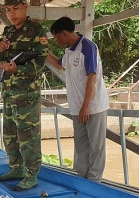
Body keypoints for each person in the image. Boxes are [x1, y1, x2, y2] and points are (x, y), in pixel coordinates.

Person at [0, 0, 48, 191]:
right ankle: (15, 168)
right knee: (9, 133)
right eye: (8, 10)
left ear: (25, 7)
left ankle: (31, 174)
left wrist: (18, 69)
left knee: (28, 135)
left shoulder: (36, 31)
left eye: (16, 9)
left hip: (27, 94)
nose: (12, 13)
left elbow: (40, 61)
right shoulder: (8, 31)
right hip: (8, 92)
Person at [47, 17, 109, 182]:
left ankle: (94, 180)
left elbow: (92, 76)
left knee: (96, 146)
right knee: (81, 145)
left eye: (56, 37)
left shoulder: (88, 47)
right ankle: (81, 177)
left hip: (93, 106)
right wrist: (44, 50)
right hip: (77, 107)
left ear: (65, 33)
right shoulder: (69, 50)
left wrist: (86, 106)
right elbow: (60, 65)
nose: (56, 41)